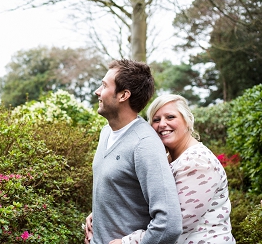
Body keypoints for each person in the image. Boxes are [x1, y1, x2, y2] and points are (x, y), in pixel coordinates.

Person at [84, 59, 182, 244]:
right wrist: (96, 215)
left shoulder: (144, 144)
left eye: (104, 85)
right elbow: (121, 191)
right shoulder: (106, 132)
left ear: (123, 95)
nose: (97, 91)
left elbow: (169, 224)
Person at [114, 94, 234, 243]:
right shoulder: (168, 160)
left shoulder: (197, 162)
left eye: (170, 117)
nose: (162, 124)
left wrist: (127, 242)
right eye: (156, 120)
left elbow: (175, 224)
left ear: (188, 120)